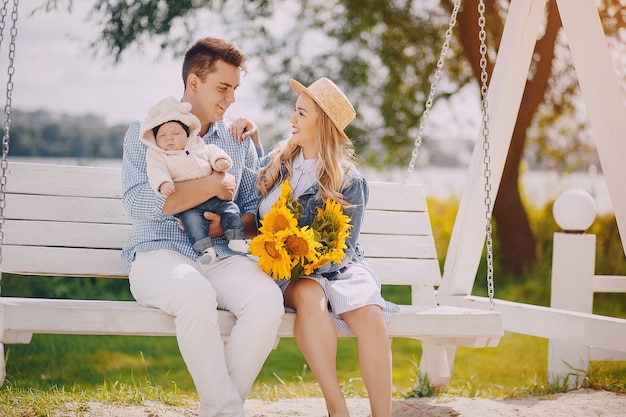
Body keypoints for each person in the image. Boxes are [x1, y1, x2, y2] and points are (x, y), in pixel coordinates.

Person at [120, 37, 284, 417]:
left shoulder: (235, 139)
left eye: (235, 89)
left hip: (220, 254)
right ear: (194, 82)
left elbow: (250, 213)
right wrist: (211, 186)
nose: (230, 99)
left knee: (265, 301)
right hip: (158, 252)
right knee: (193, 292)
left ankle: (219, 410)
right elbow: (141, 202)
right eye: (222, 87)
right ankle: (228, 411)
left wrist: (222, 226)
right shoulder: (146, 133)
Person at [255, 77, 399, 417]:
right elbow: (250, 209)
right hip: (288, 270)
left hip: (339, 267)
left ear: (323, 124)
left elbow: (344, 249)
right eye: (295, 111)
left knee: (370, 315)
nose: (292, 120)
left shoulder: (349, 180)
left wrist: (312, 261)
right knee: (309, 295)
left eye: (301, 114)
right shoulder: (276, 165)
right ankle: (338, 409)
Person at [139, 96, 250, 265]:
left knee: (231, 209)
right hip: (189, 205)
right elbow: (156, 171)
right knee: (192, 222)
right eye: (163, 136)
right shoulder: (159, 156)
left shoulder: (197, 145)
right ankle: (205, 250)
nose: (169, 138)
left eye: (176, 134)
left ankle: (236, 239)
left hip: (216, 200)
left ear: (186, 135)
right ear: (155, 140)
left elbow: (212, 151)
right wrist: (163, 183)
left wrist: (219, 161)